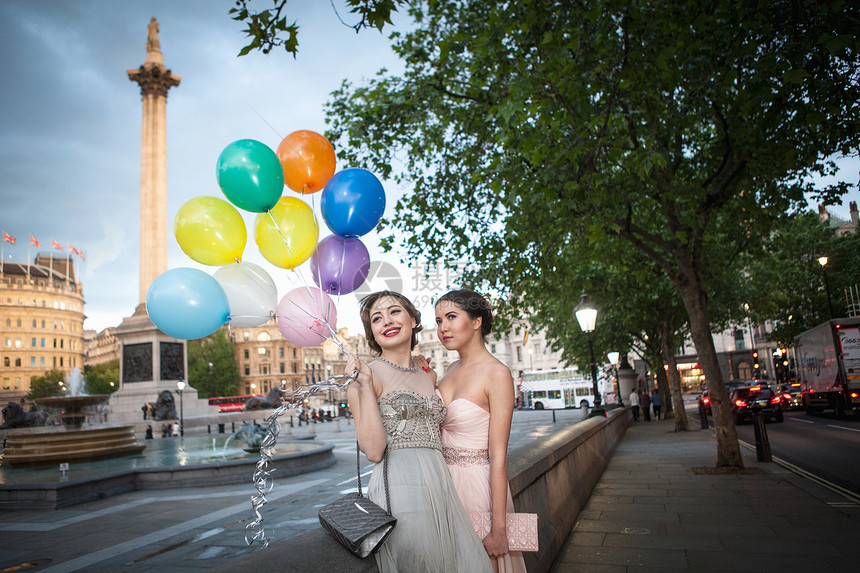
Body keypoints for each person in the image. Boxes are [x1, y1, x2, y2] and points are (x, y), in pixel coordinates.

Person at [346, 291, 492, 573]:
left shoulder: (427, 374)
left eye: (394, 312)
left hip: (442, 485)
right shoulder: (367, 376)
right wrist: (363, 387)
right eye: (376, 318)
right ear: (372, 334)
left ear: (413, 320)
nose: (386, 321)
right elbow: (374, 450)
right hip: (400, 490)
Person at [431, 289, 527, 573]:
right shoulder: (448, 369)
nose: (442, 328)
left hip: (477, 489)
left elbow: (498, 456)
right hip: (443, 488)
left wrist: (499, 529)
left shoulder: (497, 373)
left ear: (476, 321)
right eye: (438, 321)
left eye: (450, 317)